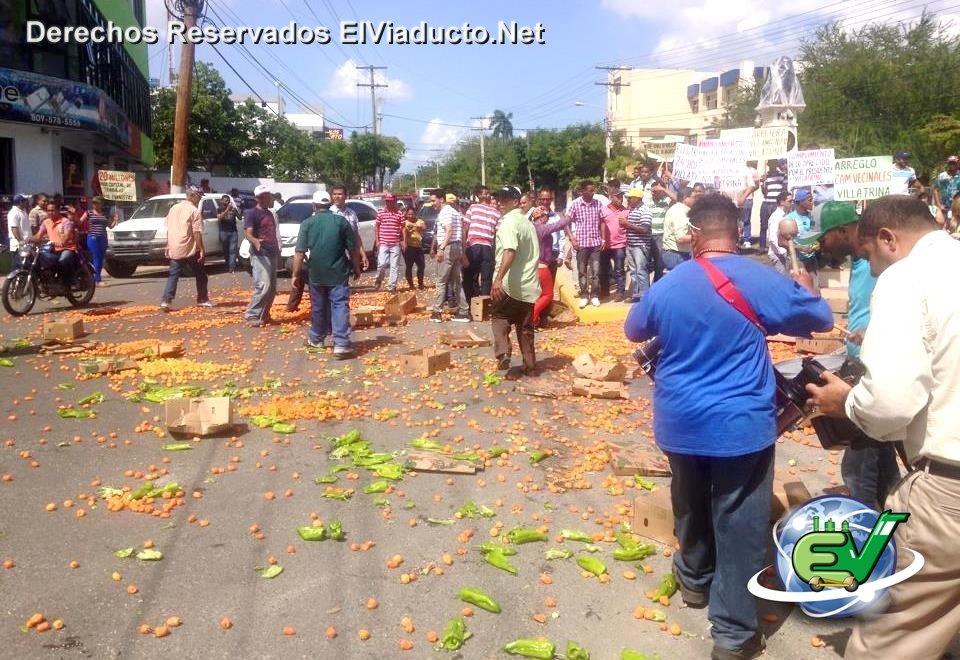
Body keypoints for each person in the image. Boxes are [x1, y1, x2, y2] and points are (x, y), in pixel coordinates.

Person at [625, 193, 833, 660]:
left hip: (680, 421)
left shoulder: (668, 283)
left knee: (690, 499)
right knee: (738, 521)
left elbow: (634, 331)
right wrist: (806, 287)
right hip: (741, 424)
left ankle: (694, 582)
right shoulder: (760, 278)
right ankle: (734, 634)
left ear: (694, 235)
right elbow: (818, 319)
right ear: (736, 232)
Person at [805, 195, 960, 660]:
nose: (870, 268)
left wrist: (846, 401)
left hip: (948, 493)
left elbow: (891, 402)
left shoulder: (906, 277)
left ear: (889, 239)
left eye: (869, 255)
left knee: (887, 637)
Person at [795, 201, 900, 508]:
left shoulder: (876, 264)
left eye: (825, 239)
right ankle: (892, 527)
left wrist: (878, 330)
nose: (822, 247)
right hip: (860, 363)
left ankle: (865, 535)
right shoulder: (859, 263)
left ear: (842, 231)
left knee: (858, 466)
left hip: (874, 372)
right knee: (880, 462)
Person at [291, 190, 361, 359]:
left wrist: (295, 275)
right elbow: (353, 249)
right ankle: (342, 344)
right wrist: (356, 267)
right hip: (338, 273)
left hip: (316, 274)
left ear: (314, 206)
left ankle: (316, 339)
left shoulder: (307, 223)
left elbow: (299, 253)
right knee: (339, 306)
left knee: (318, 306)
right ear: (329, 204)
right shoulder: (341, 222)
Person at [491, 186, 540, 376]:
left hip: (510, 285)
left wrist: (498, 279)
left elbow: (509, 251)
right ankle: (530, 365)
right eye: (498, 199)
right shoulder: (527, 223)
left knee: (499, 318)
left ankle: (503, 352)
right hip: (528, 286)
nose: (500, 203)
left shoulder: (508, 222)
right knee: (525, 327)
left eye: (504, 199)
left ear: (515, 201)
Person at [160, 187, 212, 311]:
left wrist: (168, 244)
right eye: (199, 196)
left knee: (173, 275)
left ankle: (166, 301)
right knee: (201, 275)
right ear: (193, 196)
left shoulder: (174, 208)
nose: (200, 199)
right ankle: (202, 299)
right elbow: (197, 233)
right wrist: (202, 250)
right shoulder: (194, 211)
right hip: (190, 248)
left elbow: (169, 228)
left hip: (175, 247)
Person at [531, 194, 573, 327]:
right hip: (542, 267)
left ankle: (534, 318)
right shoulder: (541, 229)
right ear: (541, 217)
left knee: (536, 295)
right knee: (548, 295)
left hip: (532, 267)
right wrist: (570, 216)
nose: (547, 219)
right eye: (545, 217)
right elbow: (559, 225)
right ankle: (533, 315)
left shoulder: (531, 228)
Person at [243, 184, 281, 327]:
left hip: (271, 253)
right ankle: (252, 314)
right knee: (263, 285)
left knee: (272, 288)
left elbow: (274, 234)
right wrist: (255, 241)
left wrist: (278, 253)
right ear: (257, 198)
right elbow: (248, 233)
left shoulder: (270, 213)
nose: (266, 199)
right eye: (262, 197)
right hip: (260, 254)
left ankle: (264, 314)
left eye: (267, 196)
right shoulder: (251, 213)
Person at [564, 179, 605, 308]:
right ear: (582, 191)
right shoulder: (575, 205)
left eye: (594, 190)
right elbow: (566, 222)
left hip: (595, 243)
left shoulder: (598, 203)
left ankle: (594, 295)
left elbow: (602, 221)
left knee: (596, 271)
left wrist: (603, 239)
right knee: (582, 271)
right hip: (581, 244)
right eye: (590, 190)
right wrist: (572, 238)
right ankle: (584, 295)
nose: (593, 192)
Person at [431, 192, 470, 323]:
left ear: (441, 199)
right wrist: (462, 251)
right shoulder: (455, 212)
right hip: (456, 247)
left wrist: (441, 248)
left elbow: (449, 230)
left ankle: (437, 312)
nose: (432, 203)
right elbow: (463, 233)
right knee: (457, 282)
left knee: (441, 281)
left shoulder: (445, 212)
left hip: (448, 248)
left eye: (434, 200)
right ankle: (464, 312)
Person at [463, 186, 500, 301]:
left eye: (488, 193)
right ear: (478, 196)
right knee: (471, 275)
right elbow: (465, 227)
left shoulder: (496, 212)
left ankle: (481, 304)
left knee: (485, 276)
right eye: (485, 193)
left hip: (486, 246)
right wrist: (464, 245)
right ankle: (470, 301)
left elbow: (499, 232)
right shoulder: (473, 207)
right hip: (474, 245)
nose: (487, 195)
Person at [32, 201, 80, 285]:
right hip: (53, 248)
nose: (50, 212)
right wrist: (28, 240)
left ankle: (67, 282)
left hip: (67, 248)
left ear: (58, 210)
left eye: (52, 210)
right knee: (41, 259)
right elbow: (38, 235)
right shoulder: (46, 222)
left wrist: (61, 242)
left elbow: (66, 236)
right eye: (48, 210)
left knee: (62, 260)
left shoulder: (65, 222)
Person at [622, 188, 653, 303]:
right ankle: (637, 295)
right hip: (631, 244)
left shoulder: (645, 211)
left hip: (640, 246)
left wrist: (627, 224)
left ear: (638, 198)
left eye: (630, 198)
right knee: (633, 272)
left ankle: (645, 297)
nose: (628, 199)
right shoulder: (632, 209)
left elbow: (645, 229)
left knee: (641, 271)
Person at [330, 185, 369, 272]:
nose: (337, 197)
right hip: (334, 256)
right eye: (334, 194)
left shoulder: (352, 214)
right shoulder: (329, 213)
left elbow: (356, 236)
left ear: (345, 196)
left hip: (350, 255)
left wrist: (363, 254)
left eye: (340, 194)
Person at [599, 190, 629, 301]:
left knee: (619, 269)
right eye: (618, 197)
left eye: (622, 197)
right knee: (603, 270)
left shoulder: (626, 211)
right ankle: (604, 291)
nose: (620, 199)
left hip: (620, 245)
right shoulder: (603, 210)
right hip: (605, 245)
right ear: (611, 197)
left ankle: (620, 293)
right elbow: (599, 226)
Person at [785, 189, 818, 287]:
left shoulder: (812, 217)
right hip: (797, 261)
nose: (812, 202)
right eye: (809, 200)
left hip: (812, 259)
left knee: (815, 289)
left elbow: (815, 235)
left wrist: (817, 243)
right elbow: (781, 242)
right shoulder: (789, 219)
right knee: (801, 290)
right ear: (800, 202)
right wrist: (801, 248)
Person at [373, 193, 404, 292]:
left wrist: (403, 241)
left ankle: (392, 286)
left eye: (391, 201)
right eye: (387, 201)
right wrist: (377, 241)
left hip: (395, 243)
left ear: (394, 202)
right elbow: (377, 227)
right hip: (384, 243)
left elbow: (403, 228)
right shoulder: (381, 213)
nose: (389, 203)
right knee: (382, 264)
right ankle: (378, 280)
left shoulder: (399, 214)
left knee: (394, 265)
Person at [661, 186, 697, 270]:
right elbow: (681, 238)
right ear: (685, 198)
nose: (695, 200)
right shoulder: (680, 212)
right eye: (693, 197)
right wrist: (702, 237)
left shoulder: (680, 210)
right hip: (677, 255)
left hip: (678, 254)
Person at [758, 159, 788, 251]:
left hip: (776, 204)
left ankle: (778, 246)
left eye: (773, 164)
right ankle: (762, 247)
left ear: (776, 165)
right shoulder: (765, 176)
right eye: (770, 164)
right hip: (766, 203)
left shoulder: (783, 175)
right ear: (768, 165)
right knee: (763, 226)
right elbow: (764, 192)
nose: (772, 166)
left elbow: (784, 190)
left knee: (778, 225)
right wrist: (763, 183)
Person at [765, 191, 795, 273]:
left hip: (783, 253)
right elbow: (772, 238)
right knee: (782, 280)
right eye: (789, 201)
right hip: (778, 254)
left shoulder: (784, 215)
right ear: (782, 202)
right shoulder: (776, 216)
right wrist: (783, 252)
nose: (792, 203)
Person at [85, 197, 113, 285]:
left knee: (101, 258)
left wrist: (115, 221)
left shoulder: (105, 214)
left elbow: (110, 226)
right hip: (93, 237)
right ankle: (97, 279)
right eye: (93, 202)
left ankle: (95, 277)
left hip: (103, 238)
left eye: (97, 202)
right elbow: (79, 222)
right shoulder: (88, 213)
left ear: (101, 204)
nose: (95, 204)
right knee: (96, 257)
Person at [402, 206, 426, 290]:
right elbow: (402, 232)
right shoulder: (404, 223)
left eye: (412, 214)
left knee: (421, 266)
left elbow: (424, 228)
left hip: (418, 247)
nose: (411, 216)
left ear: (415, 214)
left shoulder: (420, 221)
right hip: (409, 247)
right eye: (409, 214)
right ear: (406, 215)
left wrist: (417, 227)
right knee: (409, 266)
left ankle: (421, 283)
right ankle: (411, 285)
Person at [738, 161, 760, 248]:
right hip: (735, 199)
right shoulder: (734, 170)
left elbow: (756, 185)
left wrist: (746, 192)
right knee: (735, 220)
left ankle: (746, 239)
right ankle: (736, 238)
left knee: (746, 220)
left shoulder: (753, 171)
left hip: (748, 199)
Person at [216, 194, 240, 273]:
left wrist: (237, 210)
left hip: (233, 232)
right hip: (224, 232)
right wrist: (226, 210)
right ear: (222, 201)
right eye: (225, 200)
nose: (227, 202)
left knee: (233, 250)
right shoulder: (219, 209)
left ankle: (232, 267)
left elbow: (240, 217)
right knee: (226, 250)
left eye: (228, 200)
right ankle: (228, 264)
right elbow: (219, 218)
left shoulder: (233, 209)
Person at [933, 155, 960, 219]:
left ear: (957, 164)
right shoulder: (942, 176)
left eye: (954, 163)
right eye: (950, 163)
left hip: (958, 207)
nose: (952, 165)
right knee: (944, 225)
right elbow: (935, 190)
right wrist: (939, 205)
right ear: (948, 164)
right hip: (945, 207)